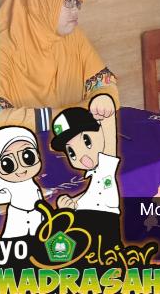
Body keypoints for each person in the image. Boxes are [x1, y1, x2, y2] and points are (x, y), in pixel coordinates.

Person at [0, 0, 119, 133]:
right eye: (68, 0)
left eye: (77, 2)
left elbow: (107, 87)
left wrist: (101, 100)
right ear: (36, 3)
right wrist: (63, 118)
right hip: (21, 146)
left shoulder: (73, 37)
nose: (76, 10)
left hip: (73, 140)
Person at [50, 93, 121, 250]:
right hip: (87, 239)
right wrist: (70, 204)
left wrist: (105, 105)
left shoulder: (105, 168)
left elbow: (109, 134)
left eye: (87, 142)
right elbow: (91, 195)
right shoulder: (95, 177)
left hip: (104, 234)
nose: (82, 157)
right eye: (72, 153)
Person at [0, 125, 43, 239]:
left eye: (28, 157)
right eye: (8, 164)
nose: (21, 169)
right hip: (16, 234)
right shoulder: (10, 190)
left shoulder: (35, 187)